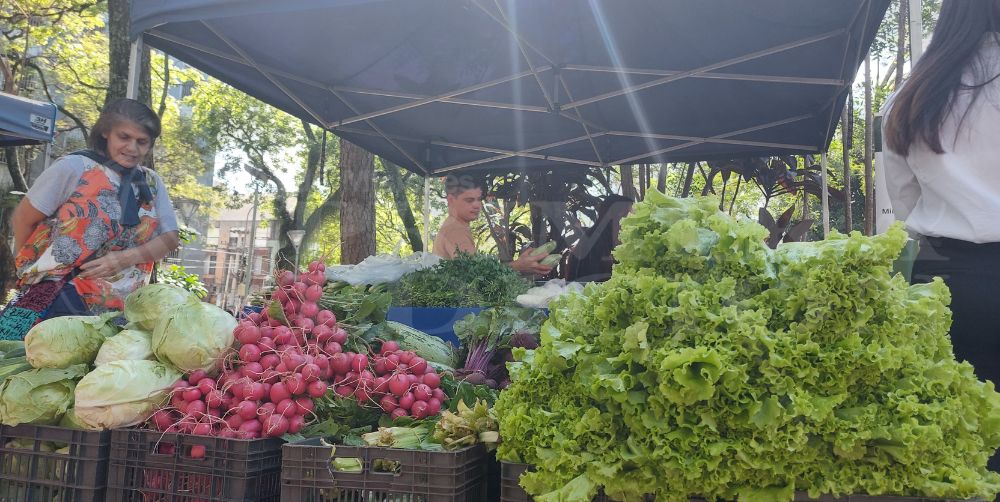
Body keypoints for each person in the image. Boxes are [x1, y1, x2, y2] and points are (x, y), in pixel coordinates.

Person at [881, 0, 1000, 470]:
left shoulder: (913, 96)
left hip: (949, 285)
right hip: (954, 278)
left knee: (966, 441)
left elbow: (906, 204)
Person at [5, 98, 179, 331]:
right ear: (106, 132)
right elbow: (23, 219)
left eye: (142, 141)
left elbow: (170, 239)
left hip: (123, 311)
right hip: (60, 299)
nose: (132, 148)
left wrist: (124, 259)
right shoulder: (73, 167)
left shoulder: (151, 182)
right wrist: (29, 271)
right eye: (124, 137)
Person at [432, 176, 551, 275]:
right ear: (451, 200)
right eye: (469, 200)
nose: (477, 205)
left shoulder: (454, 225)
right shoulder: (455, 230)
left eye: (479, 199)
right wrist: (518, 266)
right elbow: (475, 275)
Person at [565, 195, 633, 282]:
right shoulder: (594, 240)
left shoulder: (616, 238)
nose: (633, 221)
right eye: (629, 216)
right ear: (616, 215)